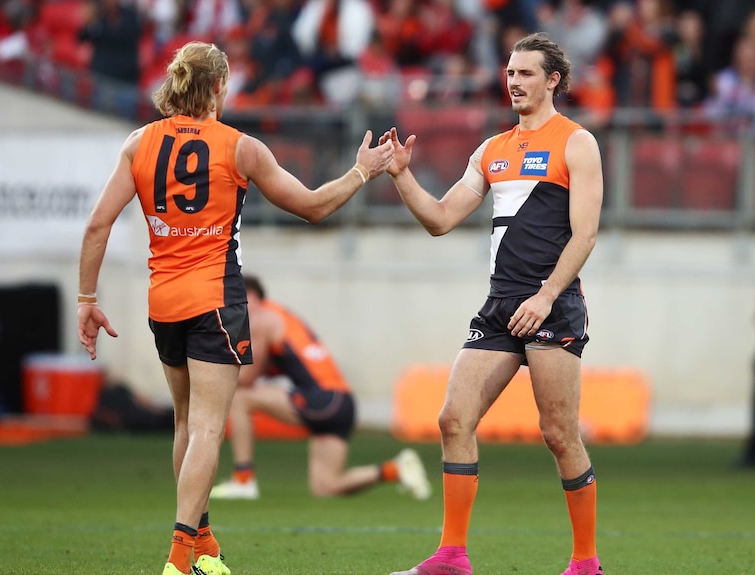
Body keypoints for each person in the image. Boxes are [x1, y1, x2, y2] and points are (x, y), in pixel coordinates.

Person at [76, 41, 394, 575]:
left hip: (164, 300)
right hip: (216, 299)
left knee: (185, 424)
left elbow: (96, 225)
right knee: (207, 427)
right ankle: (181, 555)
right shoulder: (240, 148)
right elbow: (313, 206)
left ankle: (204, 547)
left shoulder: (138, 143)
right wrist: (363, 171)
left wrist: (87, 299)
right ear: (221, 87)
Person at [380, 32, 604, 575]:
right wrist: (402, 175)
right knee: (453, 418)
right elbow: (439, 220)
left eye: (526, 73)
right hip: (500, 307)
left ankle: (585, 564)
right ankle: (452, 557)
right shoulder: (492, 150)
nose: (514, 81)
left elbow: (586, 235)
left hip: (553, 306)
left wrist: (547, 296)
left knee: (558, 434)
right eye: (509, 72)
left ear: (553, 80)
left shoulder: (577, 142)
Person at [210, 275, 431, 500]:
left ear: (252, 295)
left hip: (323, 399)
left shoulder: (262, 318)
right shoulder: (279, 315)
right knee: (325, 486)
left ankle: (243, 479)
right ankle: (395, 469)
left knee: (240, 397)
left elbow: (247, 378)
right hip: (341, 403)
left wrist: (207, 377)